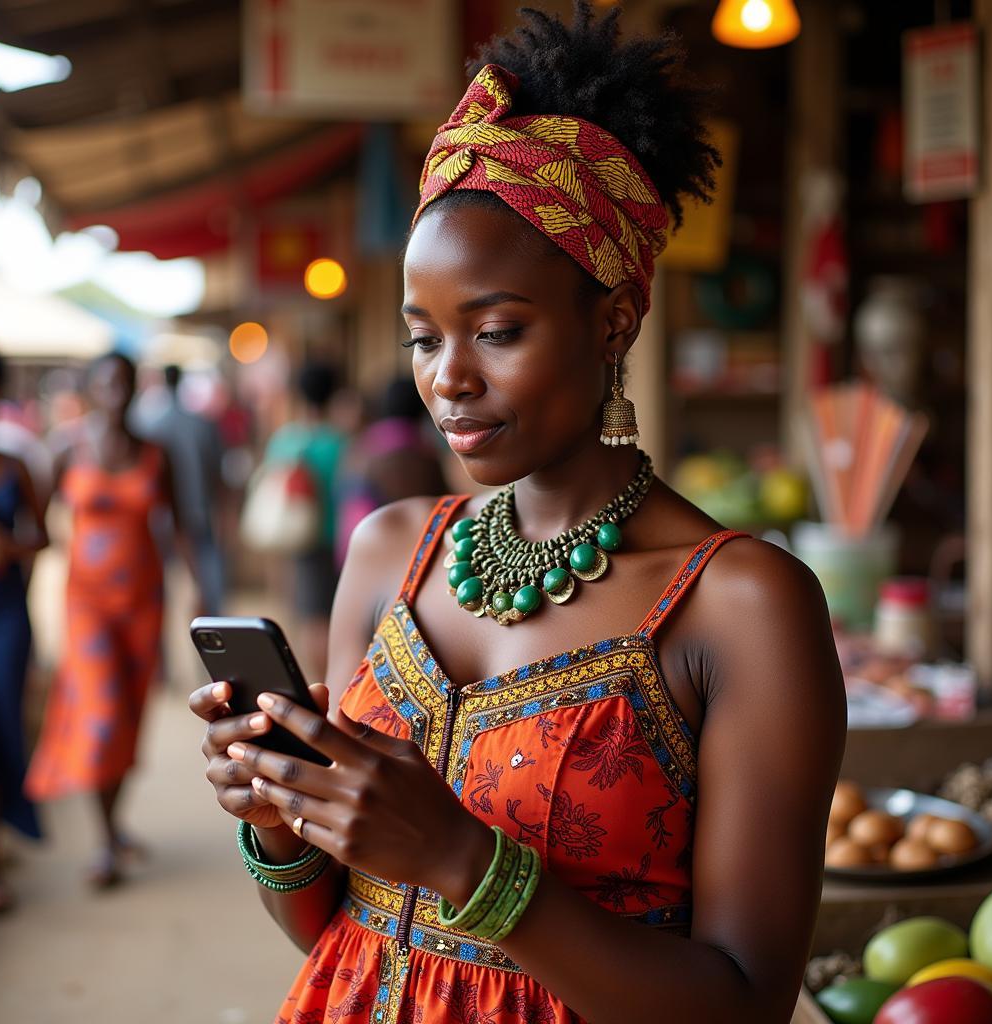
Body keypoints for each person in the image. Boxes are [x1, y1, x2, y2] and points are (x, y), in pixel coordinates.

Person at [191, 6, 845, 1022]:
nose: (448, 379)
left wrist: (460, 857)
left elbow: (742, 1004)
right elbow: (343, 934)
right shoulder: (388, 552)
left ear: (614, 318)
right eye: (421, 338)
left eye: (496, 330)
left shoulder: (740, 605)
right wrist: (281, 822)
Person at [26, 351, 191, 888]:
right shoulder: (66, 449)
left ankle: (114, 824)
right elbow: (36, 529)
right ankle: (103, 843)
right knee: (100, 712)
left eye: (124, 382)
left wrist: (202, 595)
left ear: (135, 388)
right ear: (93, 390)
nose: (115, 391)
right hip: (88, 606)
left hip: (143, 604)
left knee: (128, 714)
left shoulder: (154, 454)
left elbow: (182, 525)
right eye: (106, 383)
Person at [0, 341, 48, 913]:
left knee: (2, 730)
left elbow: (43, 538)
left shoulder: (13, 465)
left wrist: (9, 545)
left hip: (4, 620)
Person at [263, 361, 347, 681]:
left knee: (311, 619)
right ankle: (330, 683)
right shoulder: (343, 442)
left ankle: (319, 684)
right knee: (330, 619)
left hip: (298, 540)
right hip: (338, 539)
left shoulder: (286, 440)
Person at [139, 364, 225, 615]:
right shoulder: (200, 424)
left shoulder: (152, 425)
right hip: (198, 509)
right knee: (205, 577)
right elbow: (216, 469)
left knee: (162, 581)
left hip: (165, 516)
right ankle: (208, 634)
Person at [335, 376, 448, 564]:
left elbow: (346, 494)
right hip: (416, 551)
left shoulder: (365, 446)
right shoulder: (428, 450)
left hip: (367, 546)